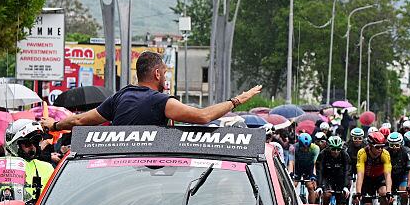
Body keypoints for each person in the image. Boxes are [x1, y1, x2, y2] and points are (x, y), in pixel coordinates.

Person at [40, 51, 262, 131]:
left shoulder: (119, 97)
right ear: (157, 74)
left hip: (114, 172)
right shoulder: (161, 102)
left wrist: (54, 125)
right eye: (164, 73)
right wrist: (237, 100)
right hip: (146, 175)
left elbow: (79, 121)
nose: (165, 77)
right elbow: (203, 117)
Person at [316, 136, 351, 205]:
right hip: (328, 178)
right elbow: (320, 171)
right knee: (327, 194)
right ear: (329, 148)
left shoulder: (345, 155)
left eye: (338, 149)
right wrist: (320, 186)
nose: (335, 152)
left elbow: (347, 172)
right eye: (333, 149)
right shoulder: (323, 154)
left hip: (341, 179)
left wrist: (345, 186)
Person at [290, 133, 320, 203]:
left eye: (308, 147)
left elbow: (314, 164)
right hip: (298, 167)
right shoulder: (293, 148)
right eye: (303, 147)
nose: (306, 149)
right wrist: (290, 173)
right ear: (299, 144)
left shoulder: (315, 148)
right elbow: (291, 162)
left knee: (310, 187)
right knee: (293, 185)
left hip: (309, 167)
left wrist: (313, 176)